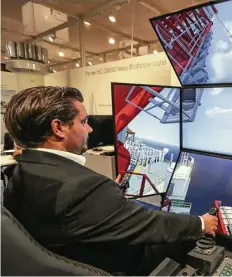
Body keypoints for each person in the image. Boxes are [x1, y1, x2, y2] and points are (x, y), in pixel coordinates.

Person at [3, 86, 218, 275]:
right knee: (188, 241)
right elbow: (150, 224)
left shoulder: (22, 171)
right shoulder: (83, 188)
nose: (90, 129)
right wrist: (200, 223)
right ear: (58, 128)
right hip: (116, 265)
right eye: (83, 121)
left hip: (68, 258)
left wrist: (104, 201)